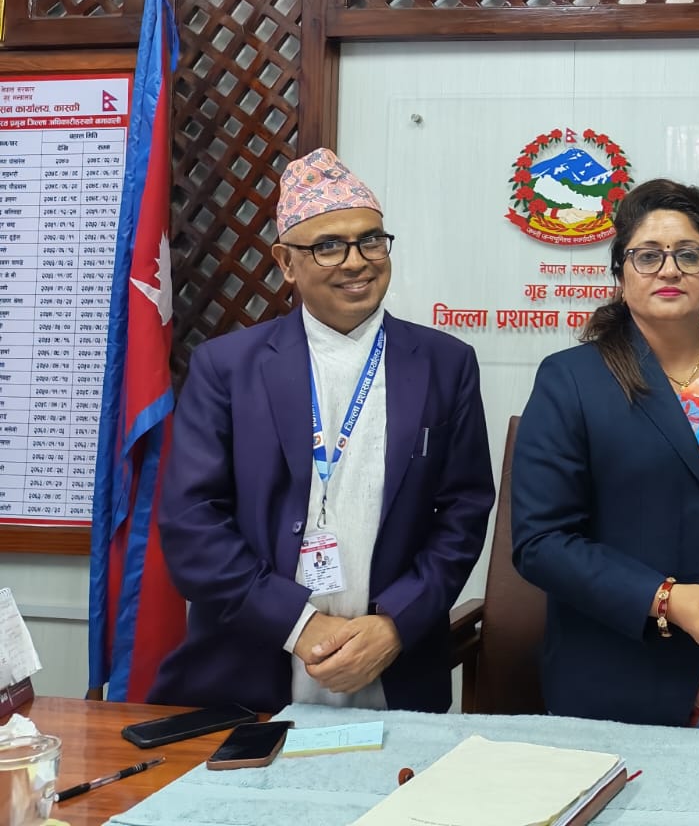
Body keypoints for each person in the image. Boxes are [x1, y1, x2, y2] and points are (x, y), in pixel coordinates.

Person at [151, 149, 494, 712]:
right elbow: (192, 523)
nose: (356, 262)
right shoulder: (228, 368)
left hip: (396, 668)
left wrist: (396, 623)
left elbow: (464, 511)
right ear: (286, 262)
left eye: (371, 241)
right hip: (250, 670)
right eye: (329, 246)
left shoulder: (444, 363)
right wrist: (297, 623)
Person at [512, 178, 699, 730]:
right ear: (621, 273)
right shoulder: (570, 380)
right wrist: (663, 598)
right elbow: (540, 544)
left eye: (688, 255)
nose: (669, 270)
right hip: (629, 671)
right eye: (648, 256)